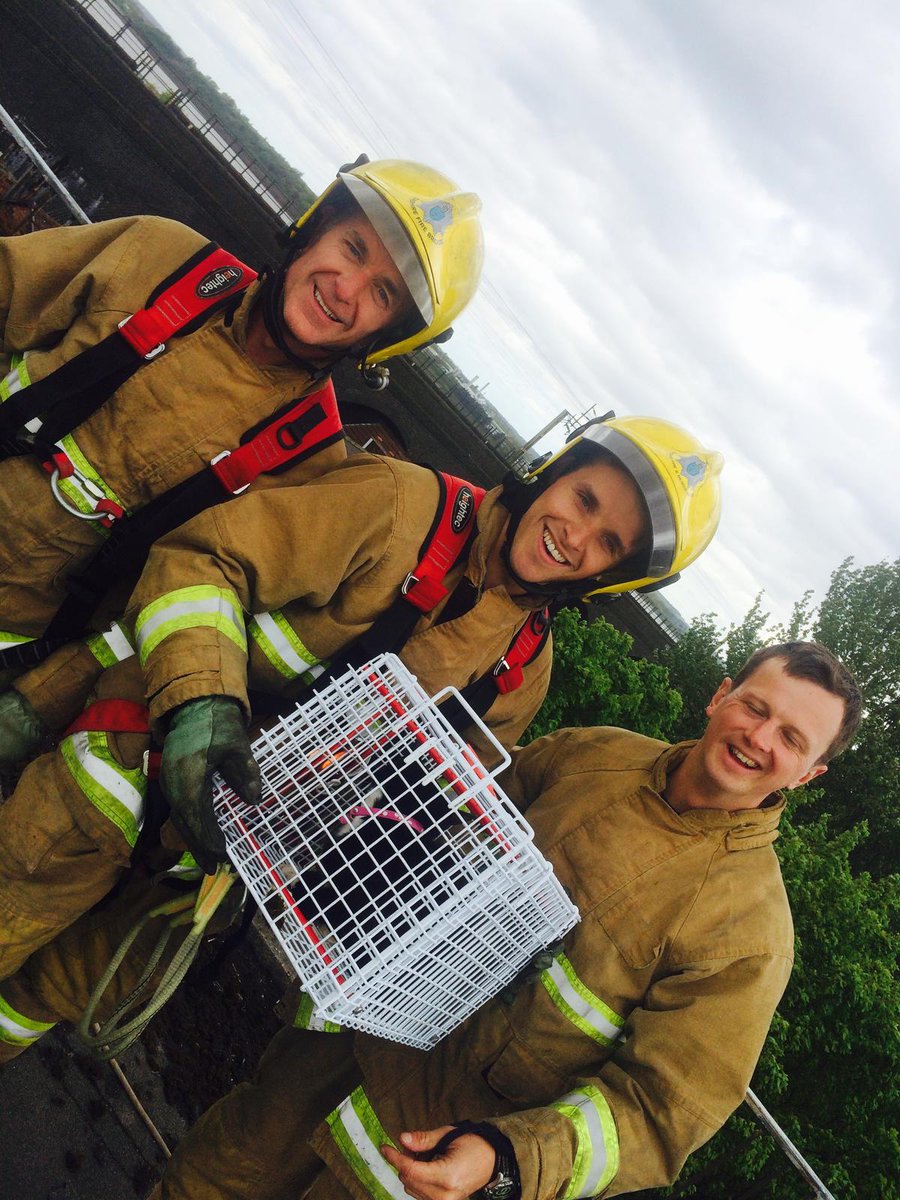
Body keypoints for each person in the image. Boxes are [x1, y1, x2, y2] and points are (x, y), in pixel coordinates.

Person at [0, 414, 723, 1027]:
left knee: (55, 999)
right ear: (553, 472)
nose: (577, 535)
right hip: (129, 770)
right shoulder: (402, 506)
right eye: (585, 498)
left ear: (611, 579)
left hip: (216, 870)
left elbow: (423, 806)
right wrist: (202, 703)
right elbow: (206, 558)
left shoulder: (523, 669)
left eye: (607, 545)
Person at [138, 640, 863, 1200]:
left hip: (436, 1146)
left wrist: (507, 1158)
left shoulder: (751, 937)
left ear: (809, 775)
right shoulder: (596, 755)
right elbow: (438, 828)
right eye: (756, 707)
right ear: (721, 696)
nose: (760, 738)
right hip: (340, 1050)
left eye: (793, 740)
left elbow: (656, 1113)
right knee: (206, 1179)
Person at [0, 155, 484, 666]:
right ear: (315, 226)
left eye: (382, 294)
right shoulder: (158, 257)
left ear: (385, 338)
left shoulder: (310, 463)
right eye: (352, 248)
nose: (345, 289)